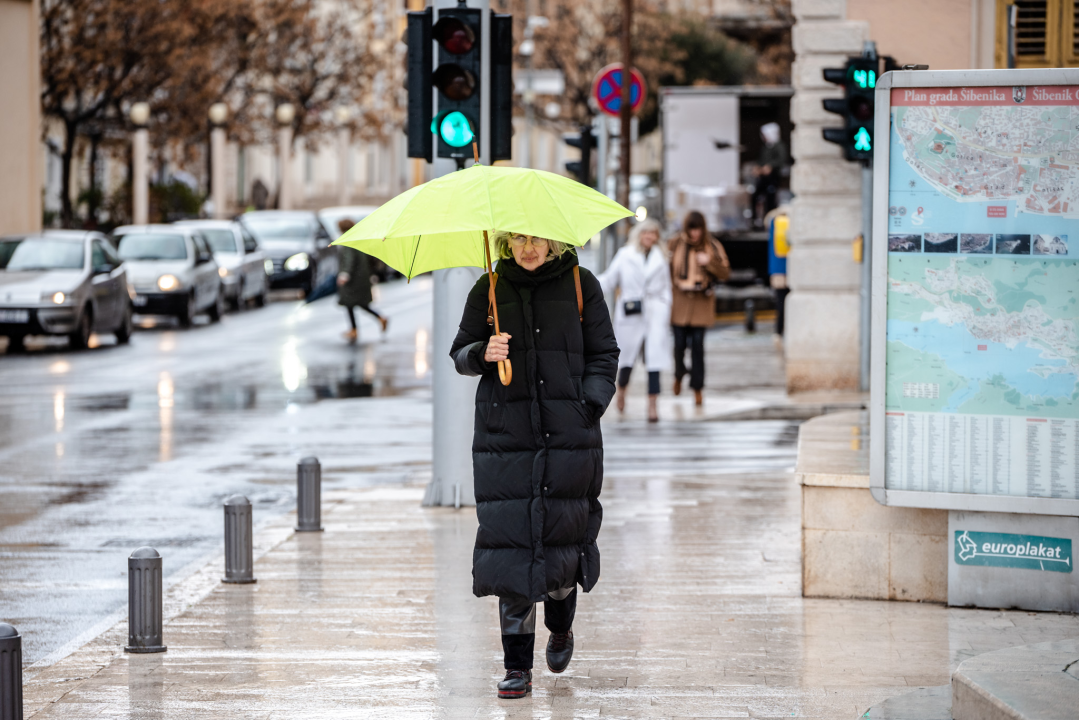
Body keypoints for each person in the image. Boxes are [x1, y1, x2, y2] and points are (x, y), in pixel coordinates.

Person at [449, 231, 618, 699]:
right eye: (519, 239)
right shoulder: (488, 289)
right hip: (507, 438)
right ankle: (517, 667)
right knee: (512, 544)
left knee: (563, 538)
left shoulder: (583, 285)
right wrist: (483, 353)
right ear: (505, 243)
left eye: (537, 239)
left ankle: (561, 626)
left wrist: (590, 404)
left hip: (570, 434)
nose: (528, 247)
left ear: (555, 243)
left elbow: (605, 354)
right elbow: (460, 353)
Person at [598, 218, 672, 422]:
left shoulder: (662, 257)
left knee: (653, 361)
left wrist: (665, 309)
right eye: (646, 232)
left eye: (653, 233)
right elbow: (610, 279)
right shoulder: (625, 255)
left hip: (655, 312)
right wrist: (587, 287)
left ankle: (652, 404)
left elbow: (667, 287)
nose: (649, 237)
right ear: (639, 234)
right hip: (632, 312)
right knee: (626, 360)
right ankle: (621, 391)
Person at [668, 210, 730, 406]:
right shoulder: (675, 243)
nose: (695, 234)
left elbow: (725, 272)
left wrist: (709, 262)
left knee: (697, 347)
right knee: (678, 345)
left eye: (698, 229)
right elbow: (664, 269)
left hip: (702, 302)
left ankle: (697, 388)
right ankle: (678, 374)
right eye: (691, 229)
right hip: (679, 301)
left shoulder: (712, 245)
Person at [336, 218, 387, 343]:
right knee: (358, 303)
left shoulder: (348, 240)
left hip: (353, 280)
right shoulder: (359, 238)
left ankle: (355, 329)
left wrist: (344, 275)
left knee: (351, 303)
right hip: (362, 277)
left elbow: (349, 259)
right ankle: (377, 319)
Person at [752, 122, 788, 227]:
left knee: (770, 198)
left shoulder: (779, 146)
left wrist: (770, 166)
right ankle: (755, 220)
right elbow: (761, 160)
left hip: (773, 177)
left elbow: (781, 160)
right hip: (763, 178)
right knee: (756, 196)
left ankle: (770, 221)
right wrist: (758, 167)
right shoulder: (766, 147)